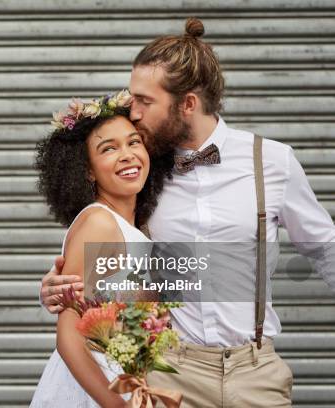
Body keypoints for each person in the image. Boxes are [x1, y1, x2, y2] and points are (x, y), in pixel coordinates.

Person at [39, 17, 335, 407]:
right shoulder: (142, 170)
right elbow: (106, 258)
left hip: (256, 373)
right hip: (168, 373)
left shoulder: (273, 161)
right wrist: (58, 286)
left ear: (188, 104)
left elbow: (325, 248)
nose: (135, 113)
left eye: (144, 101)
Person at [29, 91, 174, 407]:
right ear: (88, 170)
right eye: (109, 149)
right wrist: (118, 405)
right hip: (94, 389)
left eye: (134, 142)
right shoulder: (100, 224)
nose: (127, 155)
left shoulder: (130, 226)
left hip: (121, 381)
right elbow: (70, 338)